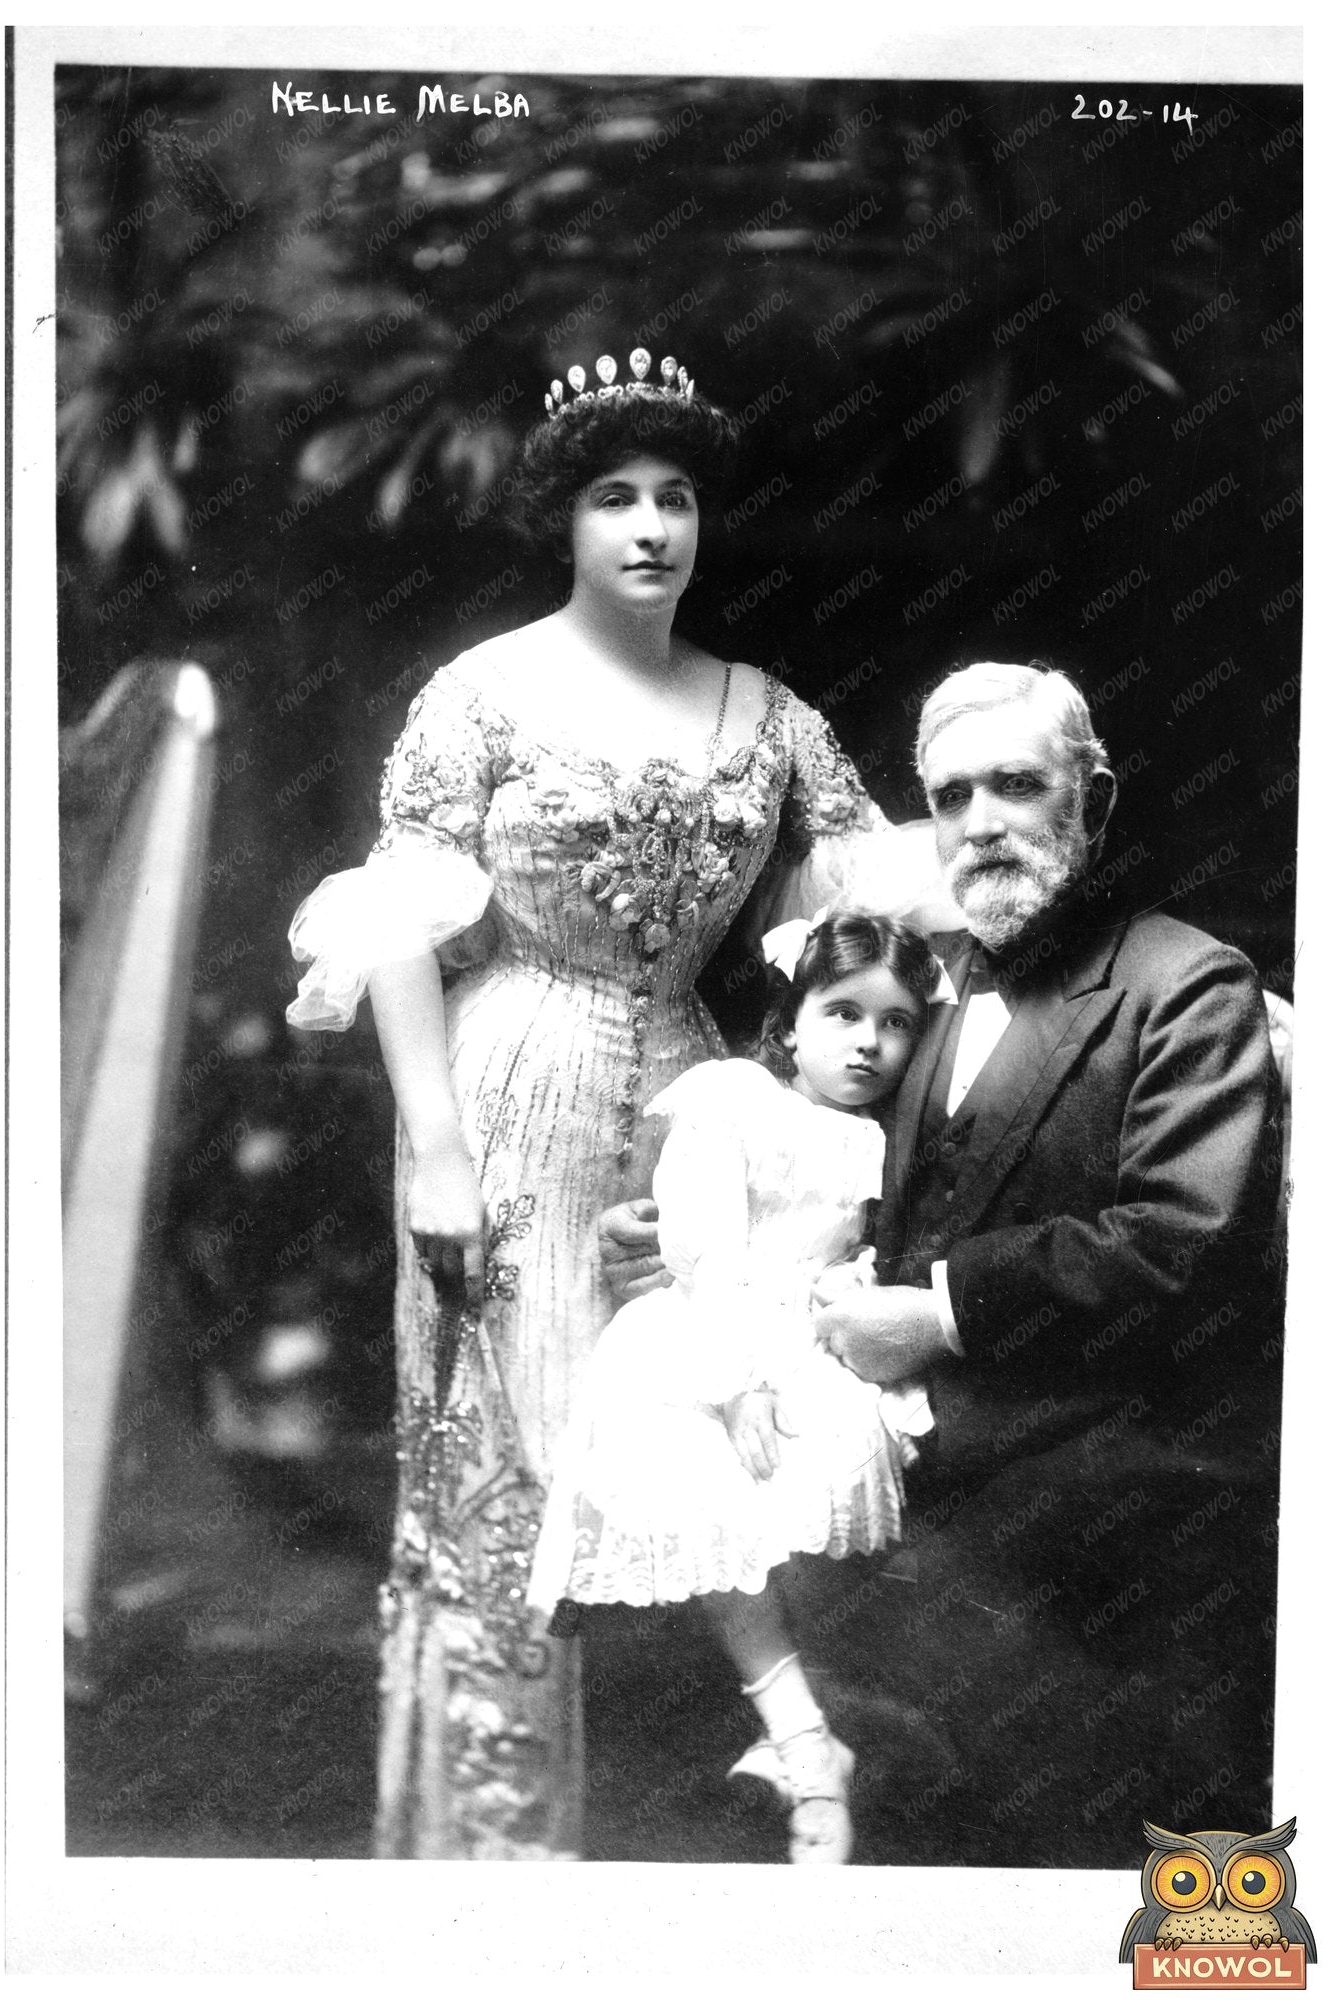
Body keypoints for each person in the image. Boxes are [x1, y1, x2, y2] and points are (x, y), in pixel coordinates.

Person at [285, 350, 948, 1860]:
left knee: (683, 1428)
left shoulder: (764, 715)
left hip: (687, 1088)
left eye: (675, 499)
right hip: (505, 1083)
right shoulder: (484, 693)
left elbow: (860, 914)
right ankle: (493, 1854)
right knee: (501, 1459)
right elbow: (400, 927)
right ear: (565, 523)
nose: (650, 528)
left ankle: (786, 1750)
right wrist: (437, 1151)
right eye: (613, 499)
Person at [601, 660, 1284, 1866]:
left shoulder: (1186, 985)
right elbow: (806, 1169)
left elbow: (1185, 1236)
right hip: (904, 1487)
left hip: (1098, 1488)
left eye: (1016, 786)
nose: (979, 822)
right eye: (950, 792)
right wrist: (670, 1234)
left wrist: (945, 1311)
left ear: (1097, 801)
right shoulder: (914, 997)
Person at [528, 910, 952, 1864]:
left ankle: (805, 1735)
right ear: (792, 1020)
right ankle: (802, 1738)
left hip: (813, 1338)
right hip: (706, 1337)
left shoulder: (874, 1140)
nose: (869, 1043)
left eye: (894, 1025)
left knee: (796, 1520)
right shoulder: (733, 1100)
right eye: (843, 1014)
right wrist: (739, 1380)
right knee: (712, 1498)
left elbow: (851, 1253)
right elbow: (703, 1247)